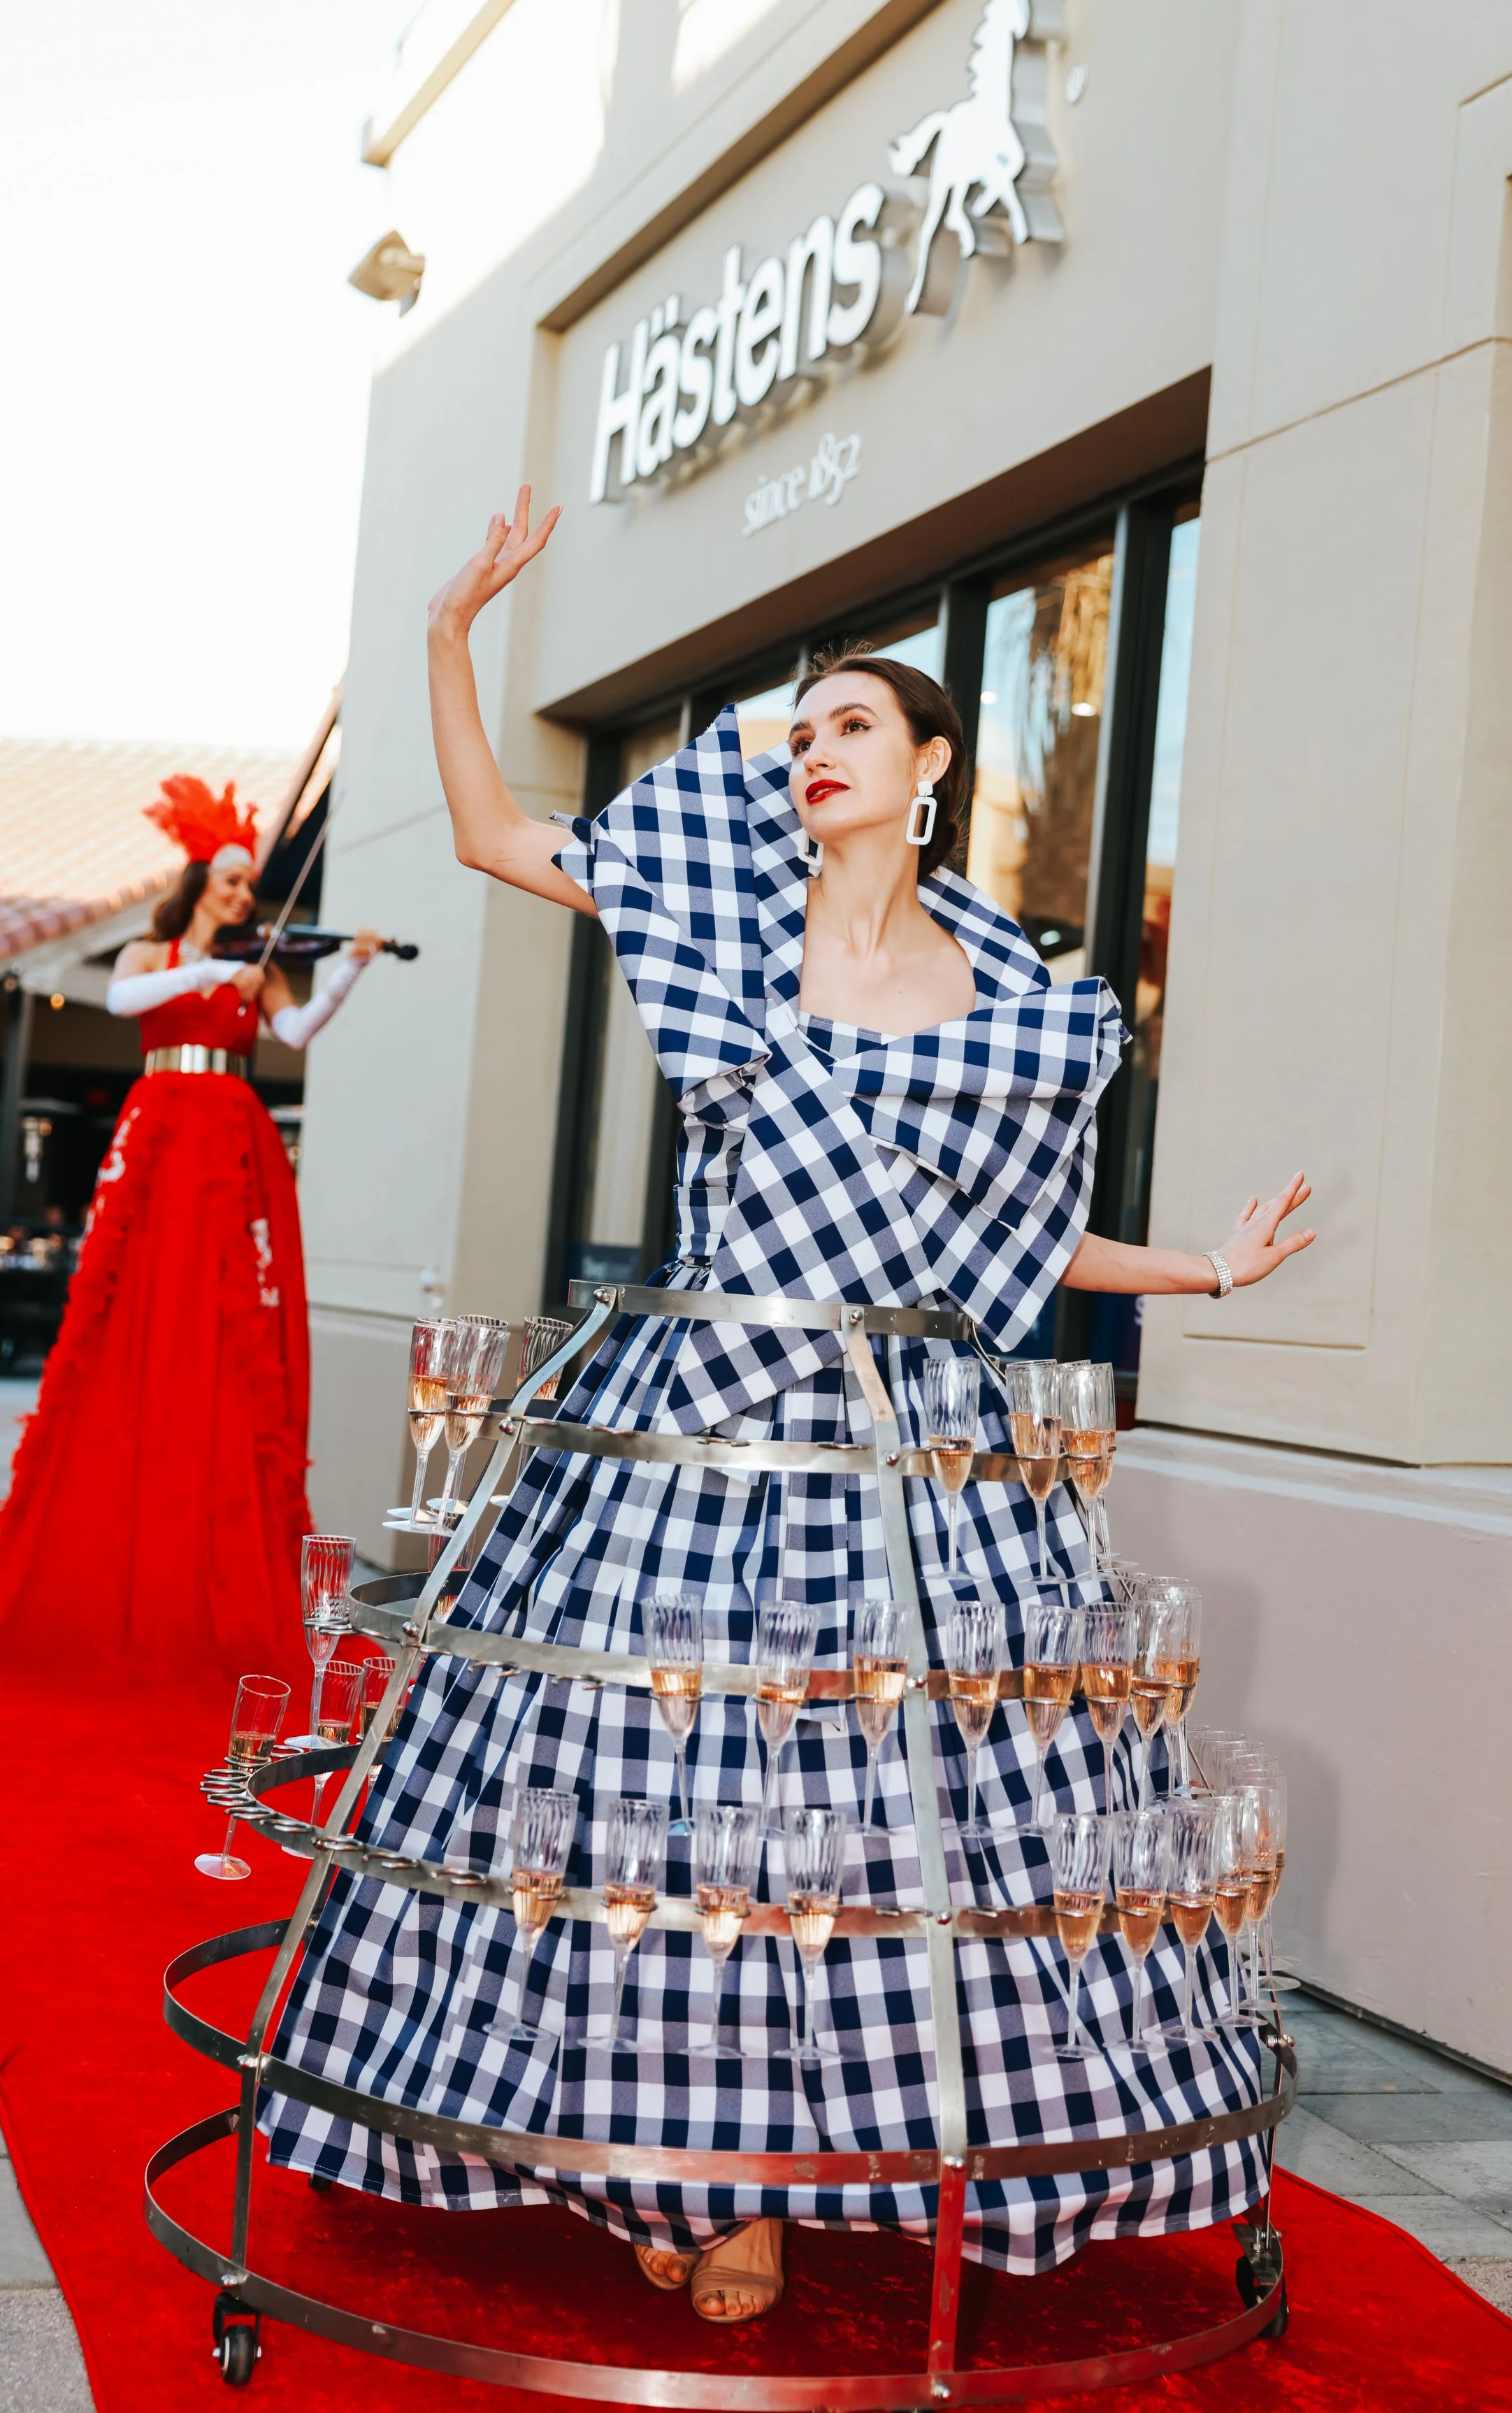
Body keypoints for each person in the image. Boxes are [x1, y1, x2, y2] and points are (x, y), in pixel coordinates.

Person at [260, 493, 1315, 2326]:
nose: (814, 747)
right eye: (800, 724)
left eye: (851, 723)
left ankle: (905, 2145)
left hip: (917, 1448)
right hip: (700, 1425)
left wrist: (1206, 1271)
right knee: (662, 1794)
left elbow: (1019, 1234)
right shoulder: (720, 917)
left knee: (920, 1815)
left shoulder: (1010, 993)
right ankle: (688, 2179)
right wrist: (444, 629)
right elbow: (498, 835)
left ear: (929, 765)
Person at [0, 777, 384, 1682]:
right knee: (141, 1296)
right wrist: (211, 973)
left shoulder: (262, 965)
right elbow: (129, 1004)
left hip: (231, 1134)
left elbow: (299, 1032)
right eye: (232, 881)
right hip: (164, 1127)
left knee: (230, 1311)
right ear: (201, 880)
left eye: (250, 886)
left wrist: (352, 966)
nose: (244, 897)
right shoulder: (153, 954)